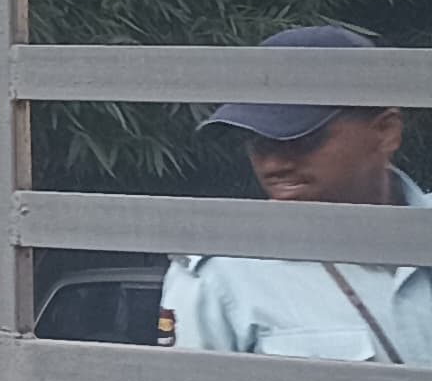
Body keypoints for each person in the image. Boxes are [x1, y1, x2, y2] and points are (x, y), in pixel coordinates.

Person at [167, 23, 432, 362]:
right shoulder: (222, 273)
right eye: (256, 142)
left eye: (303, 139)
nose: (273, 164)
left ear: (386, 132)